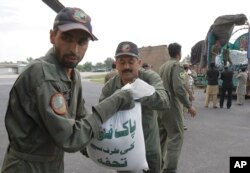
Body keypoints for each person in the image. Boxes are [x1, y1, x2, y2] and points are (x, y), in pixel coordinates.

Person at [1, 7, 135, 173]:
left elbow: (81, 117)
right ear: (52, 36)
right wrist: (116, 101)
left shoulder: (74, 75)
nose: (74, 49)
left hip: (53, 164)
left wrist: (104, 152)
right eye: (66, 38)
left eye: (82, 42)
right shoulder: (42, 74)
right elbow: (70, 138)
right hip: (26, 167)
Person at [99, 41, 171, 173]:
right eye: (122, 62)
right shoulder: (110, 86)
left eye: (131, 61)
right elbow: (100, 115)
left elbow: (164, 101)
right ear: (116, 64)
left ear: (138, 62)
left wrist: (139, 93)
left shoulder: (150, 77)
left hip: (149, 146)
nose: (126, 66)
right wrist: (117, 99)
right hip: (123, 148)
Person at [157, 43, 196, 173]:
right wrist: (189, 106)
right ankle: (169, 170)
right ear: (179, 54)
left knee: (161, 137)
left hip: (160, 105)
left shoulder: (163, 66)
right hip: (171, 106)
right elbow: (179, 89)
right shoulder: (177, 65)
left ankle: (157, 165)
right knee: (176, 137)